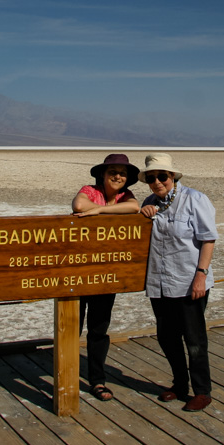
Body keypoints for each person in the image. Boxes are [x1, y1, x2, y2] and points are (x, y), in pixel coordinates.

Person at [139, 152, 218, 412]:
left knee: (194, 339)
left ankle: (202, 391)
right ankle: (179, 384)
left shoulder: (195, 200)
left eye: (162, 176)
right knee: (167, 337)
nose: (157, 182)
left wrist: (201, 275)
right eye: (152, 178)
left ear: (172, 176)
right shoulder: (149, 202)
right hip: (160, 283)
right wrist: (143, 214)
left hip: (188, 281)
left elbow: (208, 239)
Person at [71, 153, 140, 401]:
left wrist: (98, 211)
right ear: (103, 174)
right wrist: (111, 212)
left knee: (98, 330)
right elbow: (78, 206)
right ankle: (66, 376)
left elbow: (134, 208)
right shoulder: (89, 189)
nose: (118, 176)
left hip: (105, 274)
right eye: (113, 172)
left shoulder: (126, 197)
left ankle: (97, 381)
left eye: (122, 173)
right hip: (77, 272)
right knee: (71, 327)